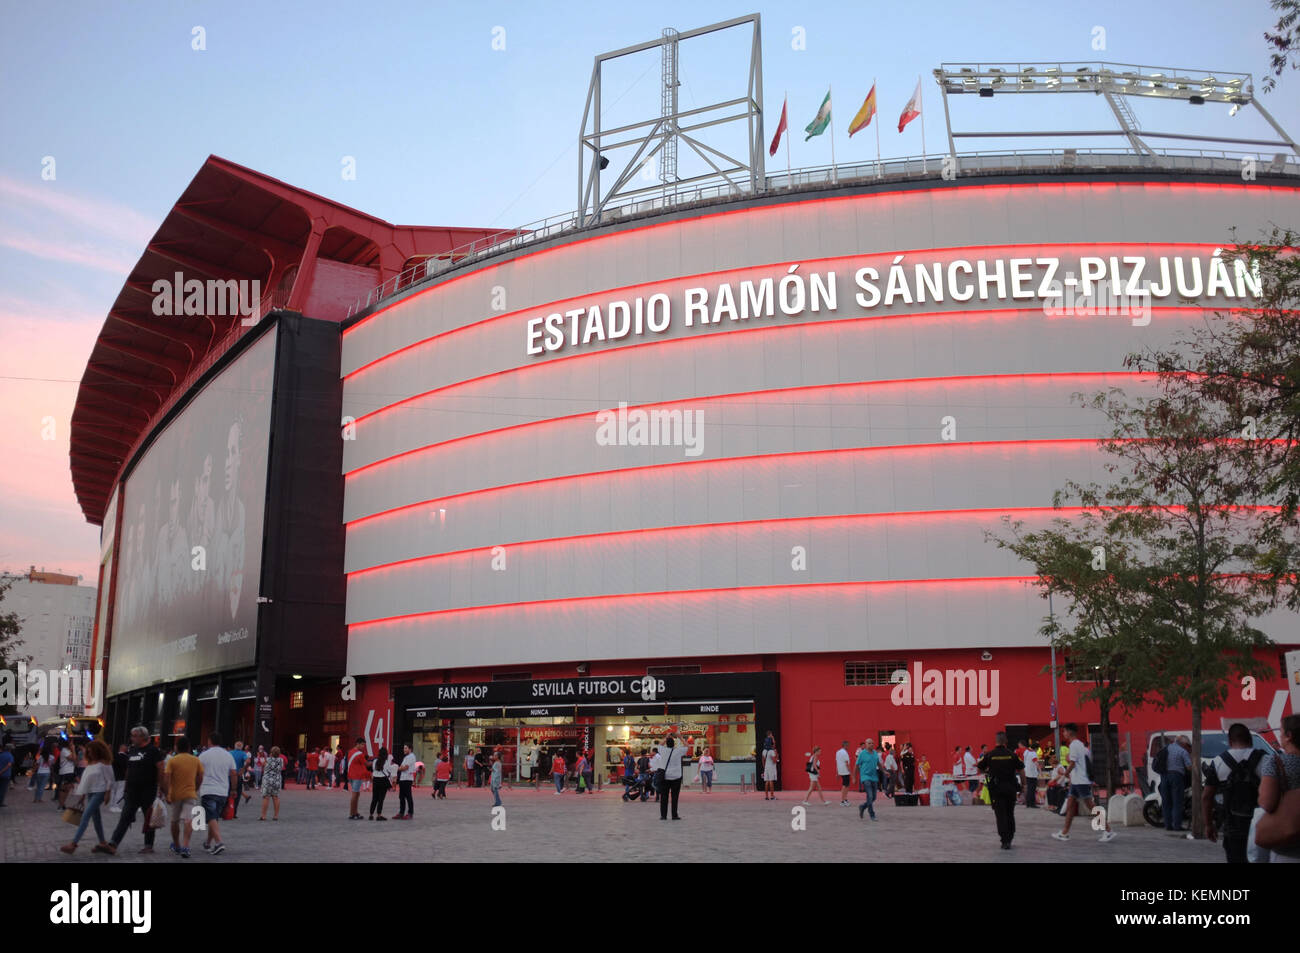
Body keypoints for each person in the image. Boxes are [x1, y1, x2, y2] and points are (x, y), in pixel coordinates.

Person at [1202, 722, 1265, 863]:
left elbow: (1206, 797)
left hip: (1233, 827)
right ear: (1250, 739)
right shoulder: (1265, 759)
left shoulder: (1218, 762)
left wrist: (1209, 825)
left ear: (1230, 741)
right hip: (1262, 826)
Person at [1052, 724, 1116, 843]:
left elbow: (1073, 763)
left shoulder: (1074, 745)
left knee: (1090, 805)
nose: (1063, 734)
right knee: (1070, 806)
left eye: (1064, 731)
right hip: (1078, 781)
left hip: (1080, 781)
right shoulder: (1080, 745)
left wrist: (1063, 776)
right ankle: (1064, 832)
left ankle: (1108, 830)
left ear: (1070, 732)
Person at [106, 726, 165, 855]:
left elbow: (161, 768)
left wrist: (161, 787)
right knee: (125, 817)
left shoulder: (153, 751)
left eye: (134, 736)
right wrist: (126, 785)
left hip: (148, 790)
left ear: (142, 737)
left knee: (149, 818)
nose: (131, 738)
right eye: (132, 735)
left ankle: (148, 845)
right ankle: (113, 843)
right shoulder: (132, 749)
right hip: (132, 791)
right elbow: (129, 768)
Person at [1256, 713, 1300, 863]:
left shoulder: (1276, 762)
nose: (1279, 736)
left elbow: (1266, 803)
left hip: (1288, 847)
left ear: (1288, 735)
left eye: (1281, 731)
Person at [59, 740, 115, 854]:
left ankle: (73, 844)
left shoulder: (104, 763)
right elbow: (86, 781)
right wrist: (83, 796)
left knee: (85, 816)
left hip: (100, 792)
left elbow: (110, 779)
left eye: (91, 751)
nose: (89, 753)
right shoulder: (91, 763)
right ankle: (103, 843)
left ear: (98, 751)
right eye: (88, 751)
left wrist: (108, 794)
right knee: (96, 818)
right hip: (90, 792)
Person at [979, 732, 1025, 850]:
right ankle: (1010, 837)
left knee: (1000, 815)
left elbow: (980, 767)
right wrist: (1024, 784)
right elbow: (1021, 769)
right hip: (1010, 789)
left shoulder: (990, 755)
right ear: (1006, 741)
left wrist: (988, 772)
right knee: (1010, 813)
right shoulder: (1012, 755)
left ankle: (1004, 840)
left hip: (996, 790)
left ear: (996, 741)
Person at [198, 732, 237, 854]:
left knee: (211, 816)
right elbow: (233, 774)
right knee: (213, 817)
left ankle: (219, 842)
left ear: (209, 741)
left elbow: (198, 773)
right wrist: (233, 789)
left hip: (208, 790)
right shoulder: (228, 755)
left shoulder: (204, 755)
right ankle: (208, 843)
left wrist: (196, 786)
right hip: (223, 791)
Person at [164, 736, 202, 858]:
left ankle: (176, 845)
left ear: (176, 747)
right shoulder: (195, 760)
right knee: (188, 819)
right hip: (190, 793)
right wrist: (196, 787)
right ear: (189, 747)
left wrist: (167, 793)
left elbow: (167, 778)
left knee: (174, 820)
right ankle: (186, 846)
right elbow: (200, 776)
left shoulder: (173, 760)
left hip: (175, 794)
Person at [1160, 735, 1193, 832]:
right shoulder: (1182, 751)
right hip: (1176, 776)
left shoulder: (1166, 748)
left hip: (1164, 776)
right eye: (1188, 745)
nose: (1188, 747)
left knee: (1166, 802)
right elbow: (1189, 767)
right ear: (1183, 743)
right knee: (1177, 802)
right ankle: (1177, 826)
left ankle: (1168, 825)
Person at [658, 731, 686, 821]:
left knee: (664, 797)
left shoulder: (663, 750)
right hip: (676, 777)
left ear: (666, 743)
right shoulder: (678, 751)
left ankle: (663, 815)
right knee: (675, 797)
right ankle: (674, 815)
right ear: (674, 744)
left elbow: (659, 744)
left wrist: (666, 737)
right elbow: (687, 746)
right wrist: (680, 737)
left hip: (665, 777)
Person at [856, 739, 881, 820]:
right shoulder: (862, 754)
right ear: (866, 744)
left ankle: (862, 806)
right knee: (870, 796)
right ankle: (872, 815)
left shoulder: (875, 753)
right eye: (869, 743)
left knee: (873, 798)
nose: (871, 744)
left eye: (872, 743)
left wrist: (884, 771)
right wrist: (853, 777)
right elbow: (856, 765)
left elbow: (878, 763)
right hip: (865, 777)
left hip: (874, 777)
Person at [346, 737, 369, 819]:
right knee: (355, 795)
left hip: (351, 776)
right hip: (357, 776)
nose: (363, 746)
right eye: (362, 745)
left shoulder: (350, 752)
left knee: (357, 794)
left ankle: (355, 812)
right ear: (358, 744)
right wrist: (375, 762)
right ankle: (352, 814)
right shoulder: (359, 754)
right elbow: (366, 764)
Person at [260, 745, 284, 820]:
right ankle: (276, 816)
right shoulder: (281, 760)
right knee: (275, 797)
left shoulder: (268, 759)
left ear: (271, 752)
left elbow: (262, 765)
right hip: (277, 780)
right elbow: (282, 768)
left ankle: (263, 816)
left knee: (266, 797)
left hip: (267, 780)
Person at [369, 747, 394, 820]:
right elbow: (389, 771)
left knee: (374, 798)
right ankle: (379, 815)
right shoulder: (386, 762)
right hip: (383, 781)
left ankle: (371, 814)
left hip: (376, 780)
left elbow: (373, 770)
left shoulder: (375, 761)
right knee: (381, 799)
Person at [396, 743, 417, 819]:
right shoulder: (406, 757)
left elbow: (405, 768)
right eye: (404, 748)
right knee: (401, 796)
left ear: (410, 749)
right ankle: (401, 812)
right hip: (403, 778)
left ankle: (410, 813)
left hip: (407, 779)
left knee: (408, 796)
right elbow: (402, 767)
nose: (404, 749)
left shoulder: (411, 756)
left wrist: (398, 768)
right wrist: (401, 768)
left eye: (406, 748)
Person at [56, 741, 77, 808]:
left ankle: (62, 804)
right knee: (63, 789)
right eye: (71, 743)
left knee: (67, 789)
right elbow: (73, 759)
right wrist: (73, 749)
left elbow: (75, 761)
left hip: (69, 772)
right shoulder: (65, 751)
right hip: (65, 772)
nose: (73, 744)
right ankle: (60, 805)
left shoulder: (68, 751)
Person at [230, 741, 249, 811]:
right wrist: (243, 768)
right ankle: (234, 811)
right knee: (237, 793)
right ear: (242, 747)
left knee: (228, 792)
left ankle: (226, 810)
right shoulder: (243, 753)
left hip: (230, 775)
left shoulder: (230, 753)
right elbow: (248, 761)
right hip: (238, 775)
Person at [1022, 742, 1040, 808]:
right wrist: (1040, 770)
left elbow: (1023, 759)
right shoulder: (1033, 753)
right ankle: (1032, 804)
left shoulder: (1026, 751)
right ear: (1036, 748)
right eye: (1038, 749)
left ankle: (1028, 803)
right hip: (1032, 773)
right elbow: (1036, 762)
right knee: (1032, 789)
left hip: (1026, 772)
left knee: (1029, 788)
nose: (1038, 750)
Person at [109, 744, 127, 811]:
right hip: (122, 777)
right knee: (120, 791)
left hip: (113, 776)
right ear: (125, 749)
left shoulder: (114, 756)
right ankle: (116, 806)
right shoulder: (126, 757)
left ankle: (111, 806)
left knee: (113, 791)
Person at [835, 740, 852, 805]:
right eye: (848, 745)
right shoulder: (845, 753)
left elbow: (837, 762)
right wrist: (851, 773)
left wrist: (837, 772)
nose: (848, 747)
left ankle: (845, 799)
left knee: (846, 785)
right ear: (845, 745)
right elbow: (847, 764)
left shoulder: (838, 752)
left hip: (841, 771)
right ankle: (842, 801)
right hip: (845, 771)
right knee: (845, 786)